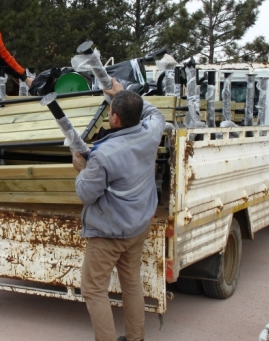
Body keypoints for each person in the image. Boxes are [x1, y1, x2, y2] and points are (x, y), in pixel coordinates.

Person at [72, 78, 165, 341]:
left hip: (108, 233)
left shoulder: (103, 155)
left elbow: (86, 194)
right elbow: (155, 113)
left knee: (93, 289)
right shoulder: (150, 132)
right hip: (137, 226)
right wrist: (123, 93)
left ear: (114, 119)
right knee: (131, 282)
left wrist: (82, 169)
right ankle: (136, 337)